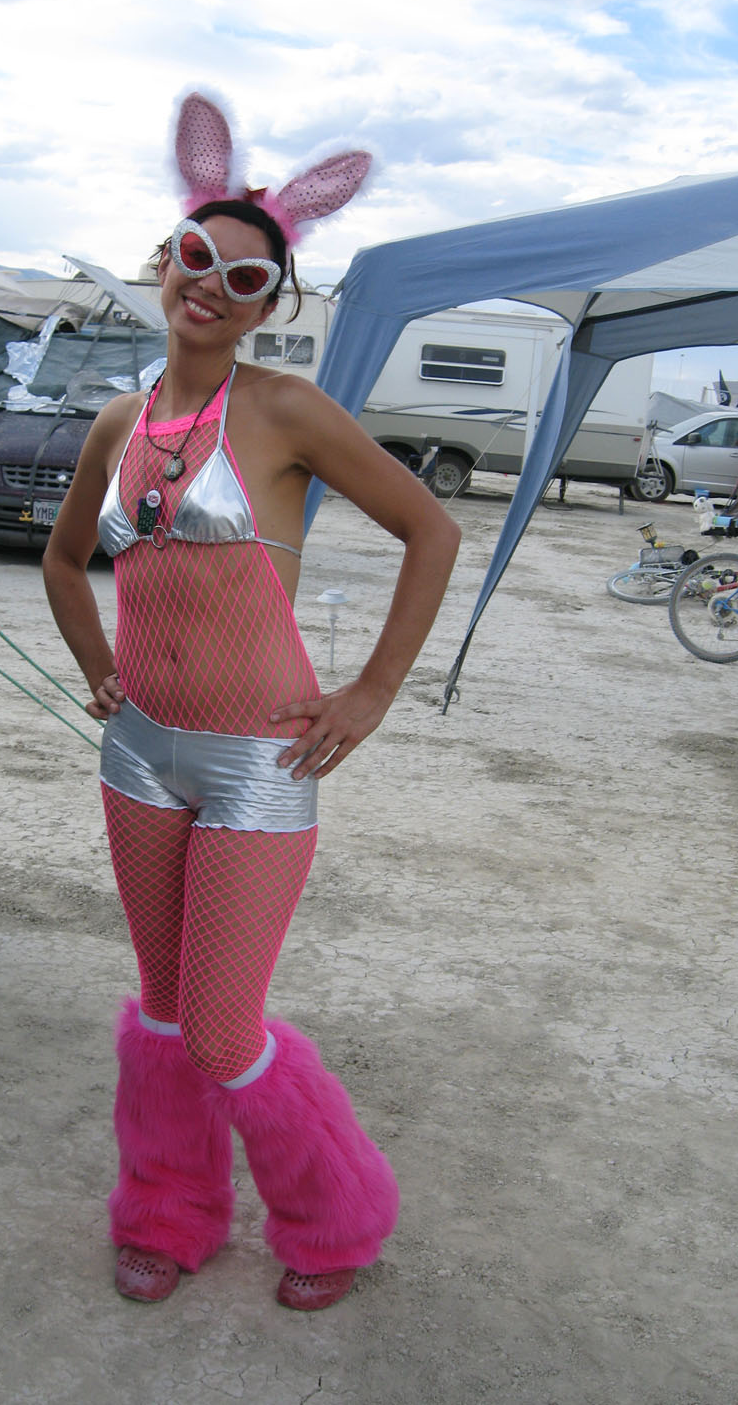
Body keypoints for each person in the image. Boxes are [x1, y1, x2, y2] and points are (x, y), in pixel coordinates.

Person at [43, 92, 460, 1311]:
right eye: (196, 257)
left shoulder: (283, 412)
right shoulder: (117, 422)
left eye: (245, 278)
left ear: (271, 304)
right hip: (138, 757)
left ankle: (337, 1221)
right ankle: (167, 1214)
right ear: (163, 260)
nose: (211, 287)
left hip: (255, 769)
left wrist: (372, 689)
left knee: (226, 1029)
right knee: (167, 1011)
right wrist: (97, 668)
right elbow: (66, 562)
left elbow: (430, 530)